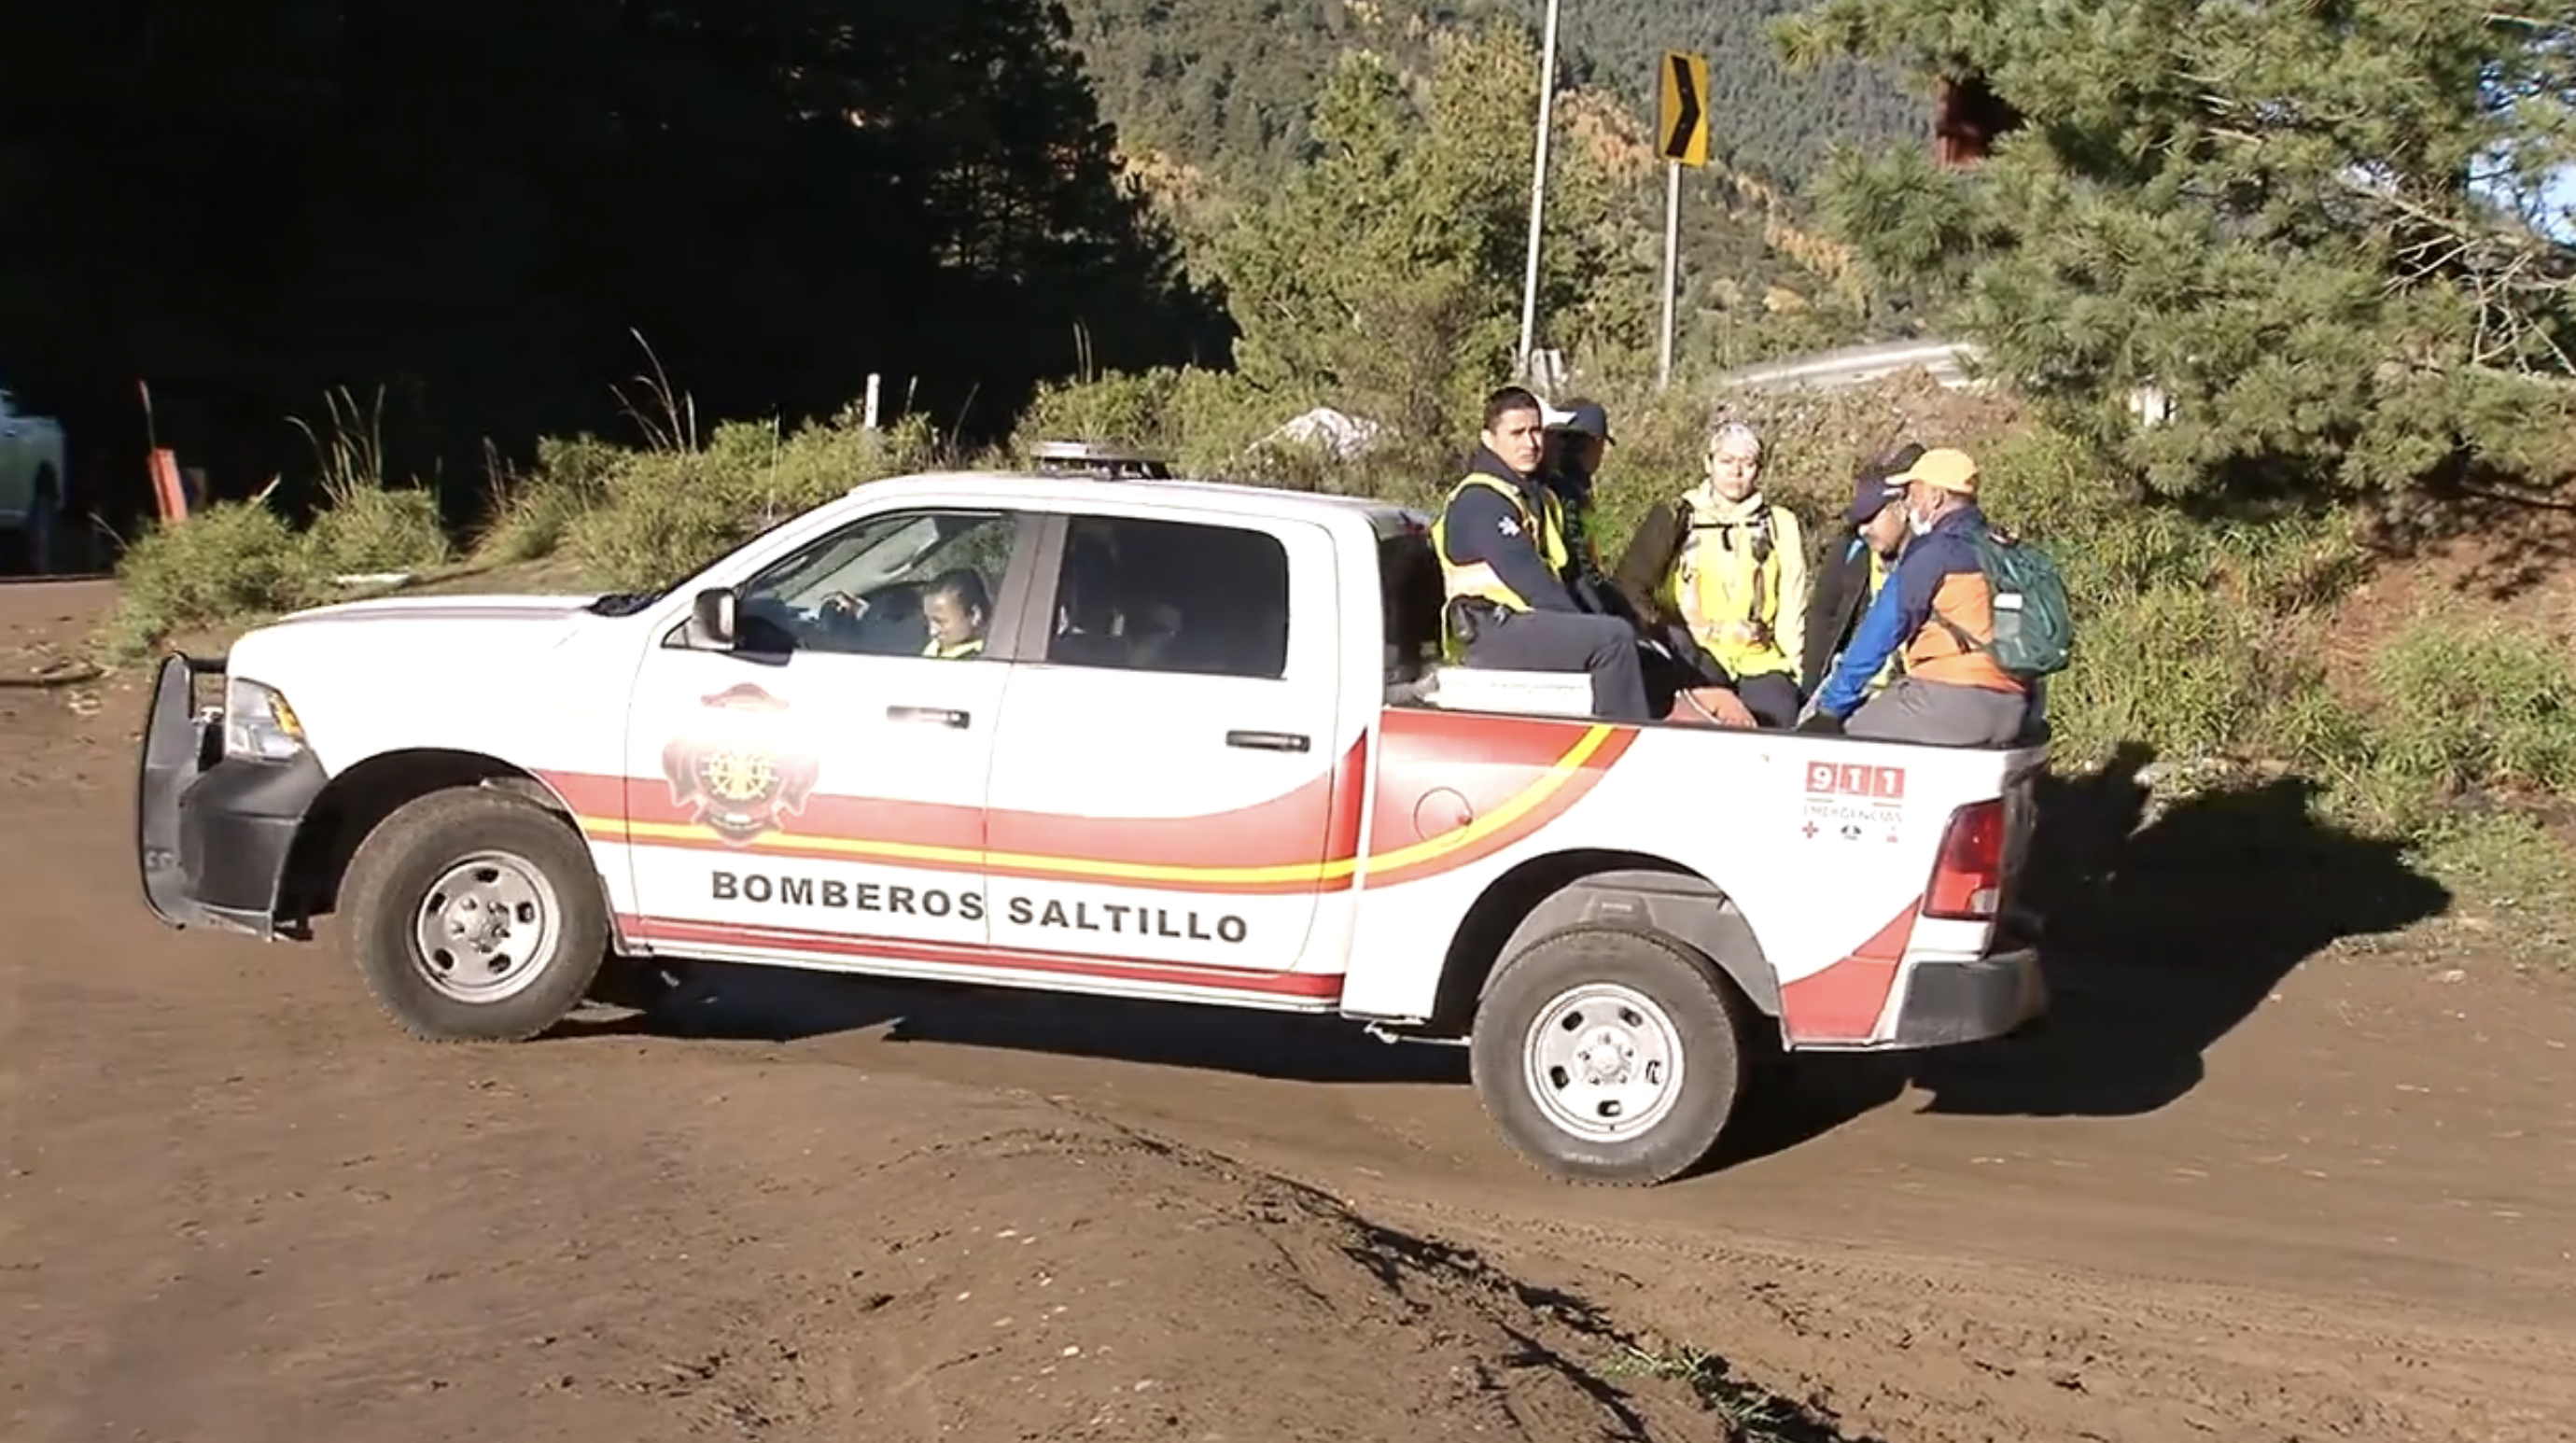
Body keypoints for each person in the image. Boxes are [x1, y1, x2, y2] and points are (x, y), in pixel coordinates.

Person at [1434, 386, 1653, 722]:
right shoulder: (1482, 499)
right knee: (1611, 640)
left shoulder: (1534, 496)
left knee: (1623, 634)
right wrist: (1591, 631)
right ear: (1489, 439)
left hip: (1518, 621)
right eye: (1517, 433)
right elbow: (1534, 585)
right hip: (1486, 630)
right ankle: (1621, 744)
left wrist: (1612, 621)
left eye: (1535, 431)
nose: (1530, 443)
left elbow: (1570, 578)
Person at [1800, 447, 2032, 746]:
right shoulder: (2003, 548)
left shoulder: (1933, 552)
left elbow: (1880, 632)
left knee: (1839, 740)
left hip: (1950, 700)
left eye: (1913, 492)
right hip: (2013, 706)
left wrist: (1831, 708)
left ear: (1935, 496)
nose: (1908, 502)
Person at [1656, 421, 1811, 729]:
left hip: (1760, 657)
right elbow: (1641, 587)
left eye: (1747, 463)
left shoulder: (1780, 523)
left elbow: (1794, 598)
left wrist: (1796, 667)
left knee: (1779, 720)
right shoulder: (1681, 516)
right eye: (1726, 461)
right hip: (1698, 656)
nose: (1736, 472)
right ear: (1708, 464)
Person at [1799, 442, 1923, 702]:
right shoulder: (1850, 553)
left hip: (1912, 690)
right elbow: (1822, 616)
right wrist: (1810, 690)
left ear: (1901, 509)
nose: (1863, 530)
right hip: (1852, 686)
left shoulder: (1940, 559)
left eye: (1871, 518)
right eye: (1859, 521)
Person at [919, 568, 990, 659]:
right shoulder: (936, 647)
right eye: (928, 620)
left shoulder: (981, 659)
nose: (932, 632)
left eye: (940, 622)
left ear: (975, 615)